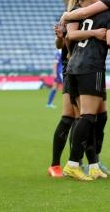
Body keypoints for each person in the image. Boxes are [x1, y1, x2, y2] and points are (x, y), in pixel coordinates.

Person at [62, 0, 110, 181]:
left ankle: (94, 164)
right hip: (90, 67)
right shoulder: (109, 14)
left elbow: (70, 35)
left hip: (74, 67)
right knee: (87, 117)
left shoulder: (76, 13)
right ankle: (73, 163)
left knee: (96, 116)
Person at [47, 22, 78, 178]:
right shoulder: (70, 16)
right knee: (68, 118)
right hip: (71, 69)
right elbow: (59, 45)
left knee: (83, 120)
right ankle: (55, 164)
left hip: (89, 69)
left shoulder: (95, 13)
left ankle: (75, 163)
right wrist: (61, 37)